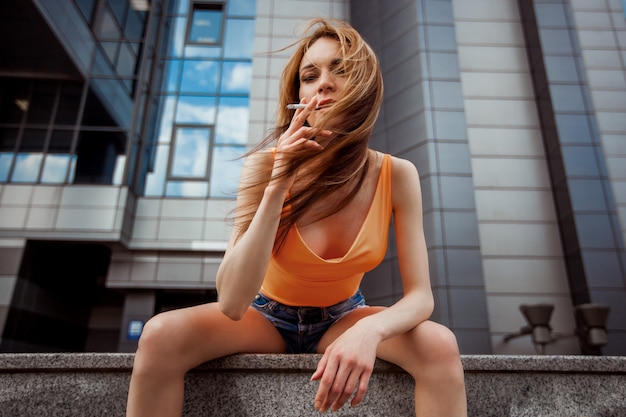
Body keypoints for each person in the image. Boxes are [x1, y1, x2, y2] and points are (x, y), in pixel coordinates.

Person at [126, 18, 467, 416]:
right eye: (310, 75)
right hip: (264, 318)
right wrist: (278, 183)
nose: (322, 83)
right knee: (159, 334)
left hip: (345, 317)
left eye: (340, 69)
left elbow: (421, 297)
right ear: (297, 94)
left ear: (365, 88)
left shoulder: (397, 174)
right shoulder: (263, 166)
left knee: (440, 345)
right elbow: (232, 302)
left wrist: (368, 332)